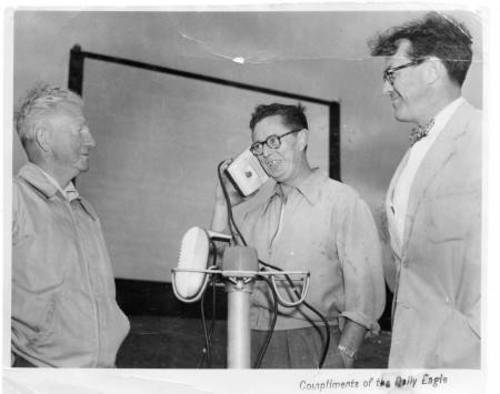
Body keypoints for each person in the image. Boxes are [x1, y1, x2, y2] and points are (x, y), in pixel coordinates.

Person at [211, 103, 385, 368]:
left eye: (272, 141)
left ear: (302, 139)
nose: (265, 154)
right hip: (249, 342)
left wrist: (344, 354)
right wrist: (222, 205)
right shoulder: (251, 218)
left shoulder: (342, 201)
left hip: (313, 343)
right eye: (257, 147)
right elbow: (218, 269)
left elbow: (365, 295)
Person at [369, 12, 481, 368]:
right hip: (411, 359)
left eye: (391, 74)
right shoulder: (417, 150)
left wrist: (461, 351)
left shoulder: (484, 137)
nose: (385, 88)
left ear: (431, 70)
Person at [11, 84, 130, 367]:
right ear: (44, 138)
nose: (91, 141)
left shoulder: (85, 212)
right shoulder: (13, 200)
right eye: (80, 130)